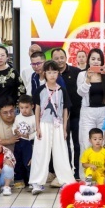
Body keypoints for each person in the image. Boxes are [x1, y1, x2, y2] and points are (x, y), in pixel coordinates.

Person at [29, 60, 74, 195]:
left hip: (58, 125)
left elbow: (65, 110)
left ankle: (66, 181)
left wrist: (65, 128)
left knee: (61, 152)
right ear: (44, 74)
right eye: (49, 72)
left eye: (54, 72)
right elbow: (37, 109)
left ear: (58, 73)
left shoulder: (62, 90)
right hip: (44, 124)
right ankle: (37, 182)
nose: (52, 75)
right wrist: (38, 127)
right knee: (40, 152)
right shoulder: (40, 90)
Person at [77, 48, 105, 162]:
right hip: (87, 112)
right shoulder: (82, 75)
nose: (96, 61)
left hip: (104, 112)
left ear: (102, 61)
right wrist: (88, 79)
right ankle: (87, 171)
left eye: (98, 59)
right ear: (88, 60)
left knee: (102, 142)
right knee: (87, 142)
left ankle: (102, 170)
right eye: (93, 59)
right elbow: (80, 93)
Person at [52, 48, 83, 180]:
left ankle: (77, 171)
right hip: (59, 116)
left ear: (66, 58)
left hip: (76, 113)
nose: (59, 60)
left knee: (77, 143)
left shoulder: (76, 72)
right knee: (64, 144)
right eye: (56, 58)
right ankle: (67, 171)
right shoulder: (51, 74)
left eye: (61, 57)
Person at [0, 45, 26, 122]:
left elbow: (22, 90)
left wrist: (18, 105)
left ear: (7, 57)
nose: (0, 58)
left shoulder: (13, 73)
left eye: (2, 55)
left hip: (11, 110)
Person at [12, 94, 36, 189]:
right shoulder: (18, 117)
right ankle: (19, 179)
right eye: (21, 108)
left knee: (28, 162)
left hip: (28, 143)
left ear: (32, 106)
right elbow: (14, 126)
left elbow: (37, 131)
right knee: (18, 161)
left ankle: (31, 180)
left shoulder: (35, 118)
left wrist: (29, 136)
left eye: (26, 107)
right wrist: (15, 131)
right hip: (18, 142)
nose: (24, 110)